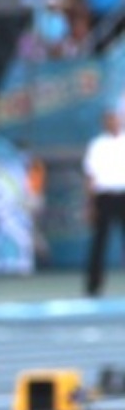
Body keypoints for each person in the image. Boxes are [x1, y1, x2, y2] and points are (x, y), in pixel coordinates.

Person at [81, 108, 125, 296]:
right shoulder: (97, 145)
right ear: (104, 123)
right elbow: (90, 176)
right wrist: (90, 204)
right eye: (109, 120)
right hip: (104, 197)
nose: (113, 123)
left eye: (115, 120)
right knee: (99, 243)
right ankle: (94, 285)